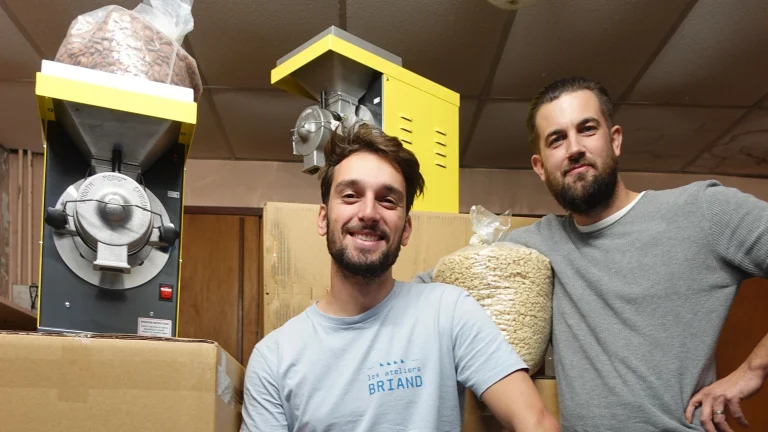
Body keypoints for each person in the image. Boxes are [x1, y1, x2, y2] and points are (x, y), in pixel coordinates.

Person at [415, 76, 768, 432]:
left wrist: (752, 370)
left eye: (587, 129)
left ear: (614, 140)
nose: (574, 148)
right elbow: (429, 286)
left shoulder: (704, 211)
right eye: (557, 139)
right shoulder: (537, 247)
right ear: (540, 166)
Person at [240, 124, 560, 432]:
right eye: (351, 195)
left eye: (387, 199)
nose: (368, 213)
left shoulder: (448, 312)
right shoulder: (275, 358)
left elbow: (535, 422)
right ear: (324, 218)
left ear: (405, 229)